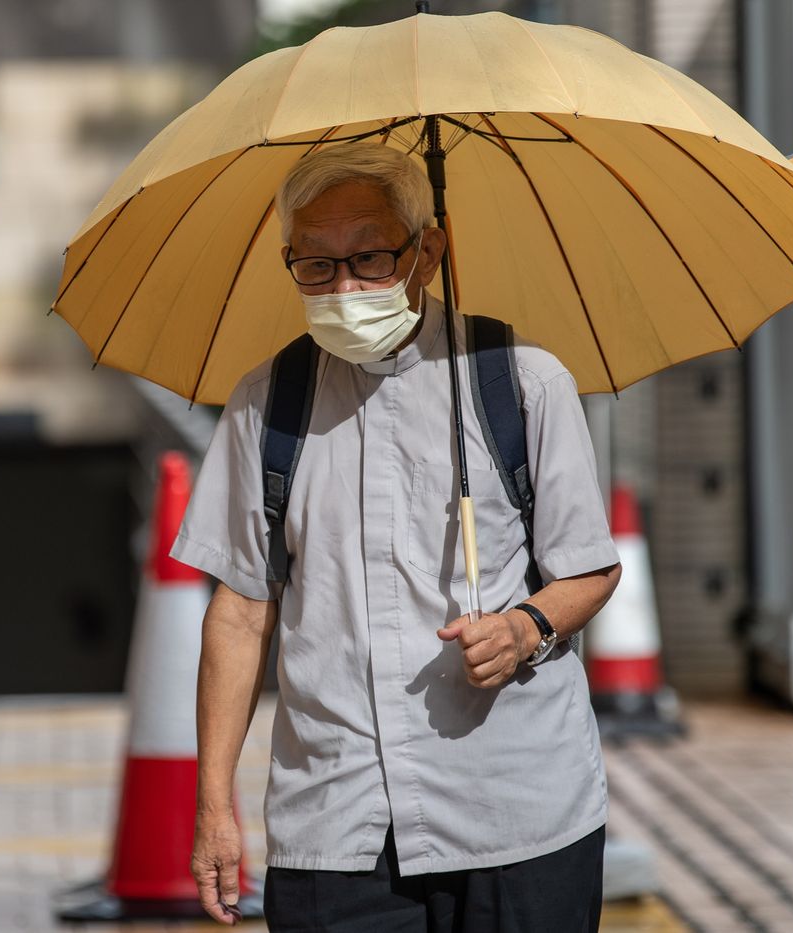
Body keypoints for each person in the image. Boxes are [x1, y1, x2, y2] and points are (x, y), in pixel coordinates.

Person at [172, 144, 622, 931]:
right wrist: (215, 806)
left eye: (370, 257)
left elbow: (589, 568)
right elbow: (241, 612)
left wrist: (525, 628)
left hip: (517, 812)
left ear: (429, 251)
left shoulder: (521, 380)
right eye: (315, 265)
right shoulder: (263, 405)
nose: (343, 287)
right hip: (333, 825)